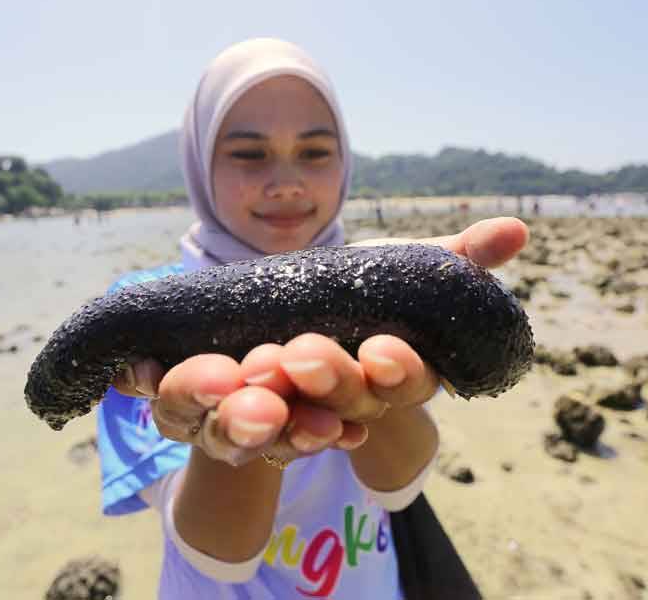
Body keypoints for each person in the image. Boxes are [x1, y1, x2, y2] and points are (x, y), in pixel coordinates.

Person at [94, 38, 528, 598]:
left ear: (346, 161)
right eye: (249, 154)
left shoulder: (382, 297)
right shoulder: (142, 321)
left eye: (316, 151)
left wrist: (375, 391)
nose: (287, 181)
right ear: (200, 164)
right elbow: (218, 556)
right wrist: (233, 436)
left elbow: (398, 489)